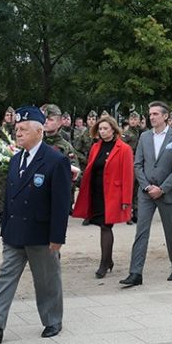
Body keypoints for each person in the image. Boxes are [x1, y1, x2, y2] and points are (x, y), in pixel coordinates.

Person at [0, 106, 72, 343]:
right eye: (17, 129)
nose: (18, 133)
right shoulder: (16, 160)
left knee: (46, 280)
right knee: (5, 278)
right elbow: (9, 198)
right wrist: (5, 228)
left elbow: (60, 204)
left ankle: (52, 320)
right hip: (15, 232)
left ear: (39, 131)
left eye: (23, 129)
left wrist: (57, 238)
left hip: (41, 233)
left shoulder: (55, 161)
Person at [120, 101, 172, 287]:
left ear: (165, 116)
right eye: (150, 114)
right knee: (141, 232)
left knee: (171, 231)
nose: (152, 117)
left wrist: (162, 188)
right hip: (146, 193)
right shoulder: (145, 137)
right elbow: (138, 164)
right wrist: (147, 187)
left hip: (167, 193)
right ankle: (135, 273)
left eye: (156, 114)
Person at [72, 115, 134, 278]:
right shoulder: (96, 147)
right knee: (101, 225)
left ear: (113, 129)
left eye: (106, 128)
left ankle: (104, 264)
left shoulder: (124, 148)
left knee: (106, 226)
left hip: (113, 194)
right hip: (97, 192)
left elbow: (128, 176)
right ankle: (109, 259)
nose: (102, 131)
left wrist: (126, 200)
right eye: (100, 129)